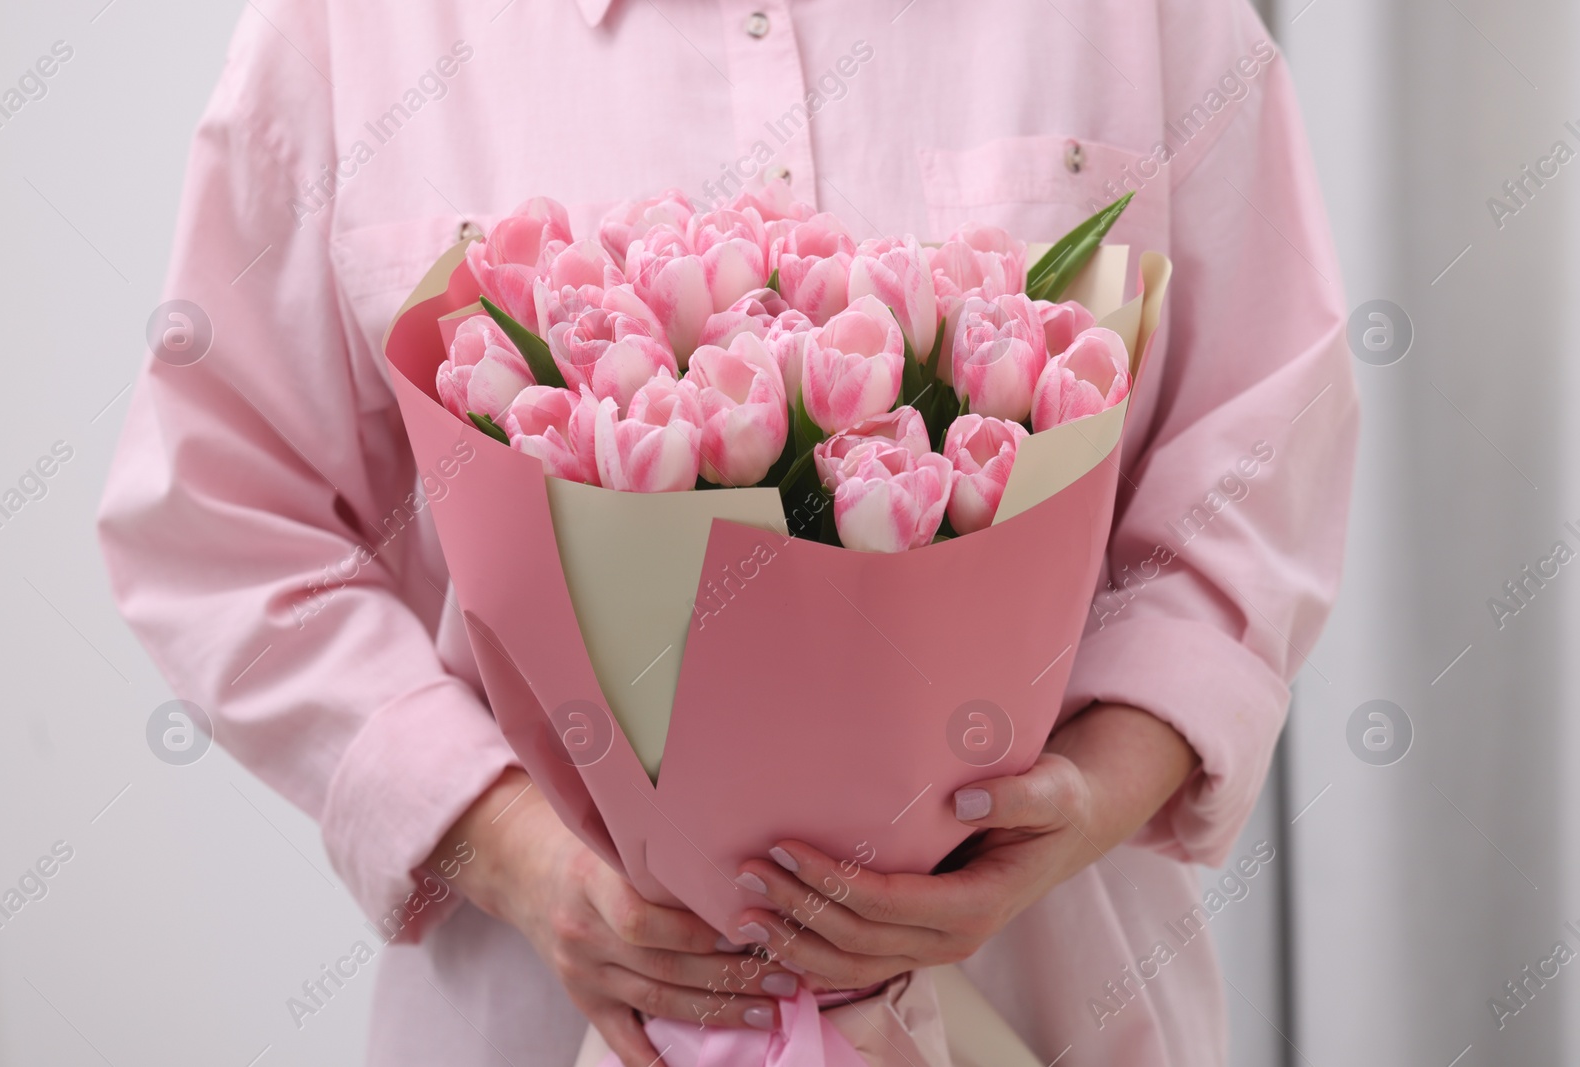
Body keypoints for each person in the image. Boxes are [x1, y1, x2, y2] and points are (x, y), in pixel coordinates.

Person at [98, 2, 1358, 1065]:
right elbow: (218, 515)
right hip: (540, 1014)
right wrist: (508, 847)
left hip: (1052, 995)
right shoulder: (355, 31)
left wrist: (1096, 783)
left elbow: (1263, 436)